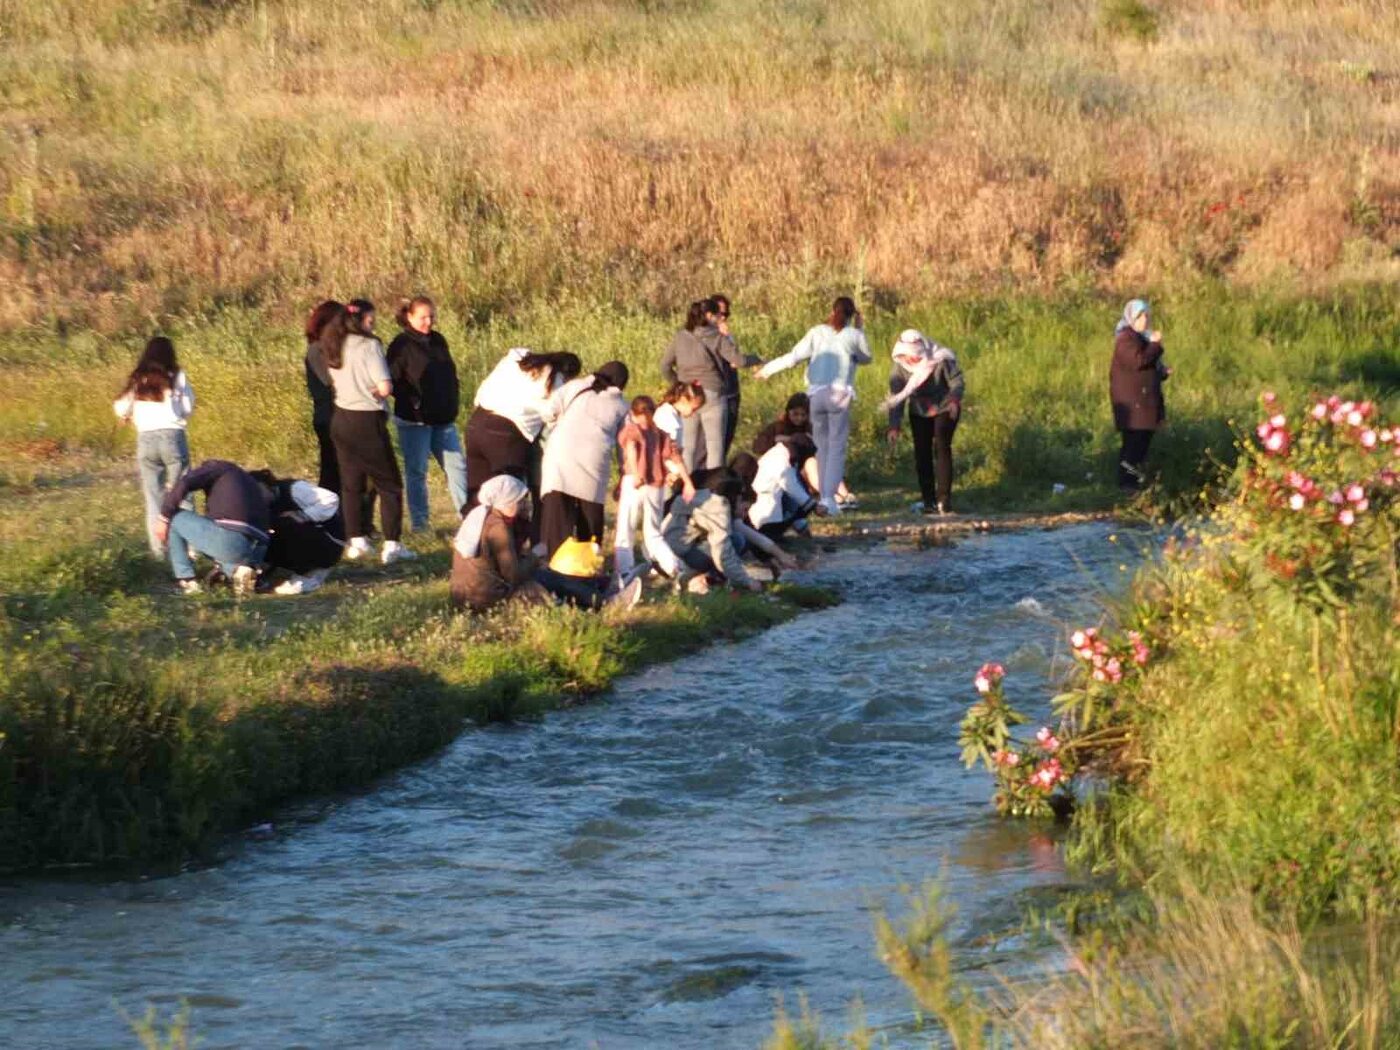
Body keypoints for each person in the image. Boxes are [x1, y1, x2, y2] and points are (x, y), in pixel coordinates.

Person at [450, 475, 639, 613]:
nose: (525, 503)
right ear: (507, 501)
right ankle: (607, 602)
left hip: (467, 596)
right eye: (520, 499)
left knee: (547, 575)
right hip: (487, 598)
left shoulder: (485, 517)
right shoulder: (497, 529)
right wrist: (535, 555)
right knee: (549, 579)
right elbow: (514, 576)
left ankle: (603, 586)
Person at [754, 296, 872, 513]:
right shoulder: (854, 335)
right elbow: (866, 359)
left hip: (816, 395)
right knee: (836, 448)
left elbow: (793, 357)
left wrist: (767, 370)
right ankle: (828, 498)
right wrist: (860, 329)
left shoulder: (817, 332)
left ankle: (826, 497)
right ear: (852, 315)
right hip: (840, 396)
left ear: (832, 310)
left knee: (820, 448)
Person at [322, 299, 415, 564]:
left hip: (341, 417)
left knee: (351, 483)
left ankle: (356, 540)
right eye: (371, 321)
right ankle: (392, 544)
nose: (374, 326)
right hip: (367, 419)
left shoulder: (334, 343)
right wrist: (377, 389)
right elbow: (385, 386)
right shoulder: (370, 345)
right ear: (361, 321)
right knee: (390, 484)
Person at [386, 295, 468, 529]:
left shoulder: (439, 340)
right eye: (423, 317)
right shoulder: (401, 345)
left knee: (457, 467)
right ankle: (420, 523)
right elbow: (391, 379)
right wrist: (413, 401)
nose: (428, 322)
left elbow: (448, 373)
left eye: (431, 316)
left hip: (444, 417)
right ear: (409, 317)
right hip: (415, 421)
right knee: (417, 471)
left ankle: (467, 516)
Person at [466, 348, 581, 510]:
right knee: (509, 494)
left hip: (476, 423)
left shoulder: (519, 357)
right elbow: (551, 416)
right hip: (506, 433)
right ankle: (506, 534)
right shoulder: (556, 381)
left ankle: (471, 531)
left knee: (477, 492)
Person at [538, 362, 631, 558]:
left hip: (559, 455)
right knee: (590, 520)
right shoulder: (621, 406)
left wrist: (557, 422)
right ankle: (586, 566)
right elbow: (626, 446)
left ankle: (554, 565)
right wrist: (624, 475)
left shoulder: (575, 387)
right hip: (593, 463)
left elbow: (547, 410)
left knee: (557, 519)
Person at [113, 336, 195, 558]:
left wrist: (133, 415)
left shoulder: (139, 378)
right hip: (172, 436)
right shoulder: (176, 375)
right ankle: (190, 548)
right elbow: (187, 406)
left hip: (146, 440)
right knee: (183, 493)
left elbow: (120, 407)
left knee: (154, 497)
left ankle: (160, 552)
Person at [305, 299, 375, 535]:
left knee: (350, 472)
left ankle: (354, 523)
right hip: (330, 416)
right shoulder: (317, 350)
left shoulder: (333, 347)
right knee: (334, 473)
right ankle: (331, 522)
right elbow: (330, 382)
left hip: (340, 415)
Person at [155, 459, 271, 596]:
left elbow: (186, 482)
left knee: (175, 517)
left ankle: (186, 580)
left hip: (230, 540)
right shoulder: (249, 482)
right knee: (229, 552)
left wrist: (164, 516)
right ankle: (241, 572)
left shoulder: (217, 468)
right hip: (259, 548)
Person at [883, 329, 965, 515]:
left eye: (915, 356)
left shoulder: (940, 359)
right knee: (922, 454)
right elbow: (897, 400)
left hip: (945, 407)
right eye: (908, 356)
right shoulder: (899, 369)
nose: (912, 360)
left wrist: (954, 400)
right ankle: (929, 501)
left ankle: (944, 500)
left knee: (942, 446)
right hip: (919, 411)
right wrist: (894, 426)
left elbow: (957, 381)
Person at [614, 395, 695, 581]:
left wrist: (635, 473)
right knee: (653, 533)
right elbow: (675, 458)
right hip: (655, 485)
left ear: (632, 414)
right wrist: (688, 482)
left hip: (635, 483)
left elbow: (632, 448)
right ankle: (675, 567)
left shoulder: (632, 429)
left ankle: (624, 572)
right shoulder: (660, 434)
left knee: (626, 529)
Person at [660, 298, 741, 471]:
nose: (721, 319)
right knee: (715, 446)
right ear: (709, 315)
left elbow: (665, 366)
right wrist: (757, 359)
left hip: (688, 396)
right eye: (719, 316)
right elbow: (738, 360)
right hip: (713, 393)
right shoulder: (717, 337)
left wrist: (680, 386)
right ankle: (713, 489)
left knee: (688, 446)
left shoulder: (680, 337)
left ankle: (686, 488)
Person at [662, 467, 762, 593]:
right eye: (745, 508)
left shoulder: (701, 495)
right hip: (677, 556)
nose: (744, 513)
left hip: (668, 550)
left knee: (732, 540)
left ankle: (704, 577)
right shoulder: (718, 506)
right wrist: (747, 581)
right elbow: (722, 554)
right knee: (735, 541)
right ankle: (692, 577)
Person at [249, 470, 344, 596]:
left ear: (266, 484)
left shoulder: (293, 489)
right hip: (306, 537)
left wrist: (303, 515)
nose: (256, 496)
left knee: (286, 523)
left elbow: (331, 499)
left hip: (330, 540)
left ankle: (311, 574)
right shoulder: (261, 505)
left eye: (258, 491)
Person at [1110, 298, 1167, 491]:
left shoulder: (1140, 338)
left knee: (1141, 445)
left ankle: (1134, 483)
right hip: (1133, 405)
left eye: (1147, 316)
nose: (1145, 320)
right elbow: (1138, 361)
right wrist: (1155, 345)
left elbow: (1144, 367)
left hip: (1142, 403)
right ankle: (1126, 484)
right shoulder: (1126, 338)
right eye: (1141, 316)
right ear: (1131, 318)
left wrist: (1161, 373)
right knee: (1134, 446)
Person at [747, 434, 824, 539]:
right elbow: (790, 486)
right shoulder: (782, 458)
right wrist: (814, 507)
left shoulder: (779, 453)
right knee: (802, 505)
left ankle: (797, 531)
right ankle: (773, 535)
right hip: (765, 512)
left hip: (767, 502)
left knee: (798, 504)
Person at [653, 381, 707, 462]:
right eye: (693, 409)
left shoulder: (671, 413)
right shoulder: (670, 419)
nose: (693, 413)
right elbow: (672, 452)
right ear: (683, 400)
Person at [752, 392, 811, 457]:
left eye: (803, 415)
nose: (800, 418)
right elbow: (757, 446)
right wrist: (777, 440)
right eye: (795, 414)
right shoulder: (778, 426)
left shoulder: (811, 428)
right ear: (788, 412)